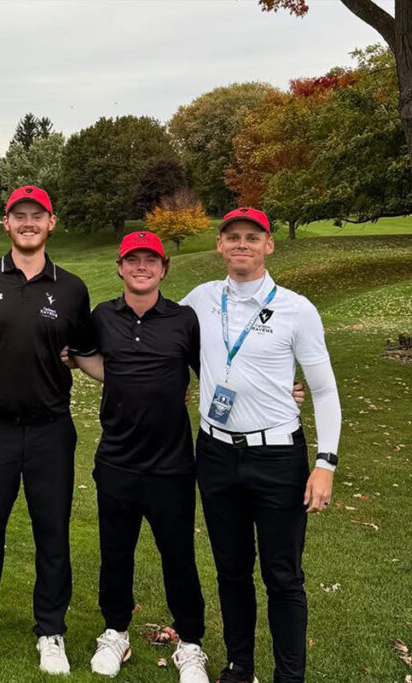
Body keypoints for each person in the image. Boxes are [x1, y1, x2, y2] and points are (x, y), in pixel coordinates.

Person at [181, 207, 340, 683]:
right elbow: (157, 332)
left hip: (277, 456)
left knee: (282, 576)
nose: (242, 244)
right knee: (231, 570)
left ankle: (289, 677)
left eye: (253, 237)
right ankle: (239, 667)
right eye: (233, 236)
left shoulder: (296, 309)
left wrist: (326, 462)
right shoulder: (200, 299)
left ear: (269, 245)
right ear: (220, 245)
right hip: (215, 452)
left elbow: (323, 390)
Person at [0, 186, 102, 675]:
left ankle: (51, 630)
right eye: (19, 215)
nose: (28, 222)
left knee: (52, 533)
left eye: (37, 215)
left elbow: (87, 354)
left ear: (51, 222)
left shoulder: (71, 288)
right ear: (7, 222)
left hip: (50, 429)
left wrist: (151, 380)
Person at [87, 231, 209, 683]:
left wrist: (276, 390)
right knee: (115, 553)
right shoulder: (103, 316)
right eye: (133, 260)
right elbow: (79, 353)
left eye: (150, 260)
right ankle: (115, 632)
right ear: (120, 267)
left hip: (171, 465)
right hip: (117, 460)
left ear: (163, 268)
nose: (142, 267)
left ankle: (190, 643)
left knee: (178, 556)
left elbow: (214, 371)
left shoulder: (183, 319)